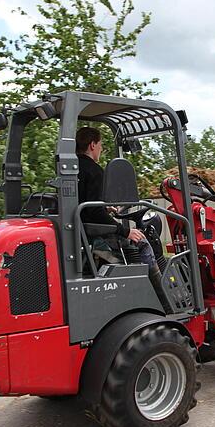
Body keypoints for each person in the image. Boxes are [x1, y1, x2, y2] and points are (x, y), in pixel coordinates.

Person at [76, 127, 173, 312]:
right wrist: (126, 231)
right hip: (95, 236)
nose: (101, 149)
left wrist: (105, 207)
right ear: (92, 144)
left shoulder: (74, 168)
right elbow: (94, 213)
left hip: (83, 231)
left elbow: (88, 206)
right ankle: (165, 301)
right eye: (101, 145)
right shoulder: (94, 171)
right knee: (143, 242)